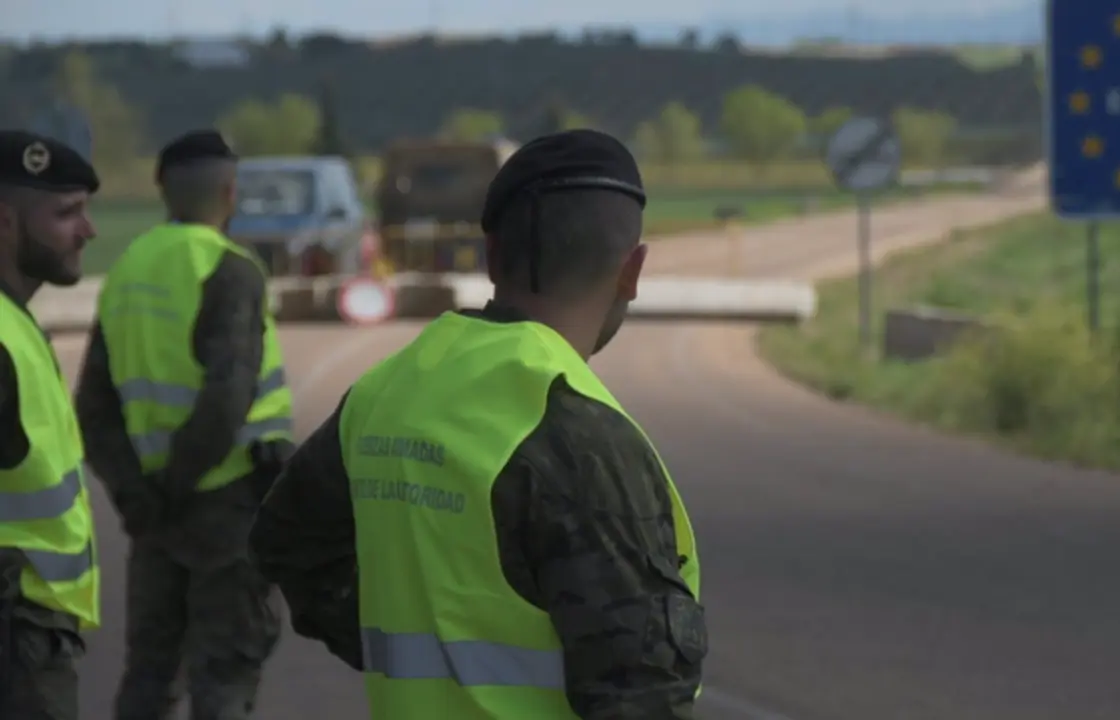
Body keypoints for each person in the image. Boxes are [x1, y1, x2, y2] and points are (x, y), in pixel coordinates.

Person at [250, 128, 708, 719]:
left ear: (491, 255)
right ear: (632, 271)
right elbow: (642, 695)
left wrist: (395, 635)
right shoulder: (578, 431)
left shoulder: (384, 392)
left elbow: (285, 539)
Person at [73, 129, 295, 720]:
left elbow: (93, 407)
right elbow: (227, 396)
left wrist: (136, 495)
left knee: (148, 675)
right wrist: (178, 486)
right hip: (225, 509)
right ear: (230, 190)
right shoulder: (230, 268)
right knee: (223, 675)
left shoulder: (126, 271)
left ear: (161, 190)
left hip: (153, 516)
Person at [0, 130, 102, 720]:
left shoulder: (16, 323)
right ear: (5, 222)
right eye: (67, 214)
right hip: (17, 642)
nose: (87, 231)